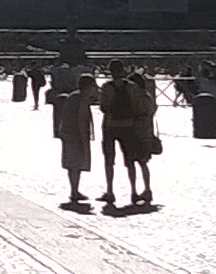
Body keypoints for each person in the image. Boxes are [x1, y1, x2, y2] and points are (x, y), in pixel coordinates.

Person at [96, 62, 151, 206]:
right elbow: (137, 107)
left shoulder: (107, 87)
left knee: (109, 160)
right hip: (128, 126)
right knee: (130, 161)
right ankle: (134, 191)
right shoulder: (132, 87)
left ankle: (110, 191)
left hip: (110, 126)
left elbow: (103, 107)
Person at [52, 73, 95, 205]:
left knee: (72, 165)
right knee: (76, 164)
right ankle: (75, 191)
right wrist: (84, 139)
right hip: (76, 136)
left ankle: (74, 190)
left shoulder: (73, 97)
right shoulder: (81, 99)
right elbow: (81, 120)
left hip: (68, 134)